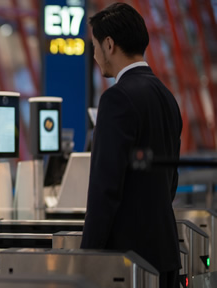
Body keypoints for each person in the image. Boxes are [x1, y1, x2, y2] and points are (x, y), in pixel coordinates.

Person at [80, 3, 182, 288]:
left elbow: (105, 189)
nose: (95, 54)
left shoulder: (117, 98)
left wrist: (85, 260)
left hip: (130, 263)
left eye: (95, 45)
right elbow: (170, 180)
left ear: (109, 44)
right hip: (165, 254)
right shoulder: (167, 96)